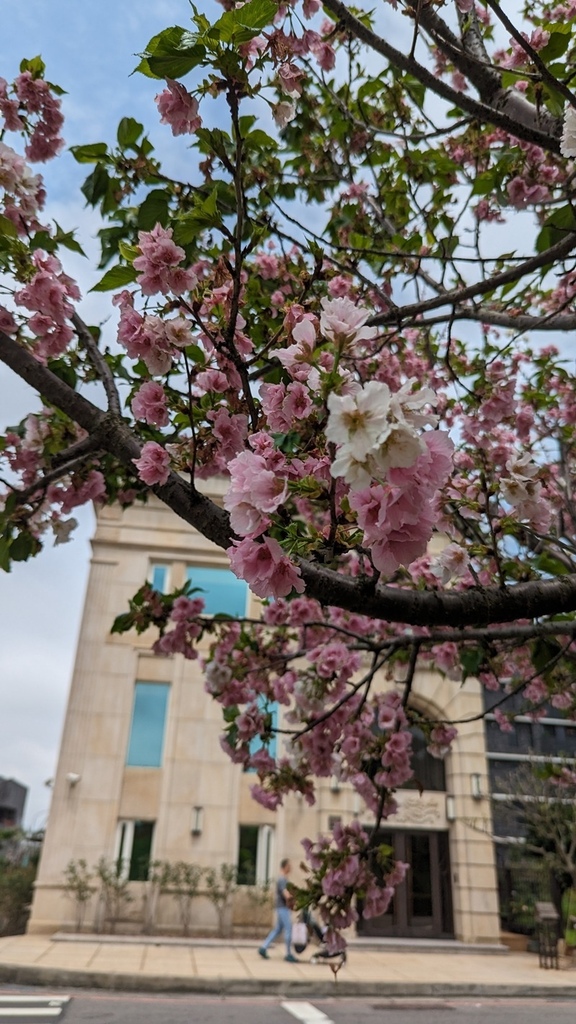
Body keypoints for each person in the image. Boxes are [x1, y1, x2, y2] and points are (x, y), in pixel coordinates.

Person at [258, 858, 299, 962]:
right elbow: (286, 894)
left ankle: (264, 947)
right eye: (289, 866)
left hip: (282, 908)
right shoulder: (282, 880)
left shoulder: (283, 879)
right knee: (288, 929)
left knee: (278, 929)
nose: (291, 868)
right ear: (285, 867)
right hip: (283, 908)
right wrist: (295, 898)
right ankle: (288, 954)